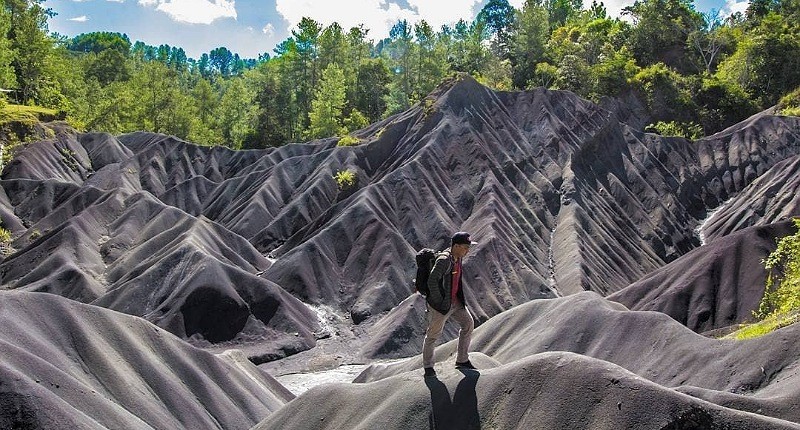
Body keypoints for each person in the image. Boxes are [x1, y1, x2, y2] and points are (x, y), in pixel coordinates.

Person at [422, 231, 477, 377]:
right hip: (440, 306)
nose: (468, 250)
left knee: (468, 324)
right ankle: (428, 367)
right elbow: (432, 281)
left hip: (455, 302)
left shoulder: (458, 258)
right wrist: (440, 302)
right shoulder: (444, 260)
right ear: (456, 246)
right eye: (466, 247)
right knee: (433, 335)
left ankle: (462, 360)